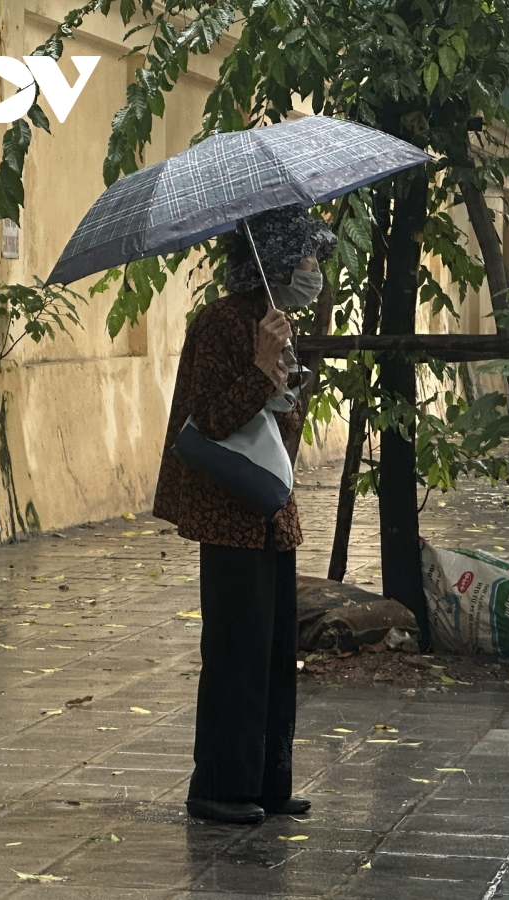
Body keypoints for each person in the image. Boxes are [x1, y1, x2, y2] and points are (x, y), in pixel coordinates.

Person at [153, 205, 335, 825]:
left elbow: (279, 423)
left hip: (270, 511)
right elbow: (207, 419)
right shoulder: (222, 323)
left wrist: (285, 378)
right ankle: (220, 787)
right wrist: (260, 368)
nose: (313, 269)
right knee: (236, 650)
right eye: (305, 256)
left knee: (274, 650)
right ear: (277, 259)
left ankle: (268, 782)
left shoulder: (274, 322)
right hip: (229, 512)